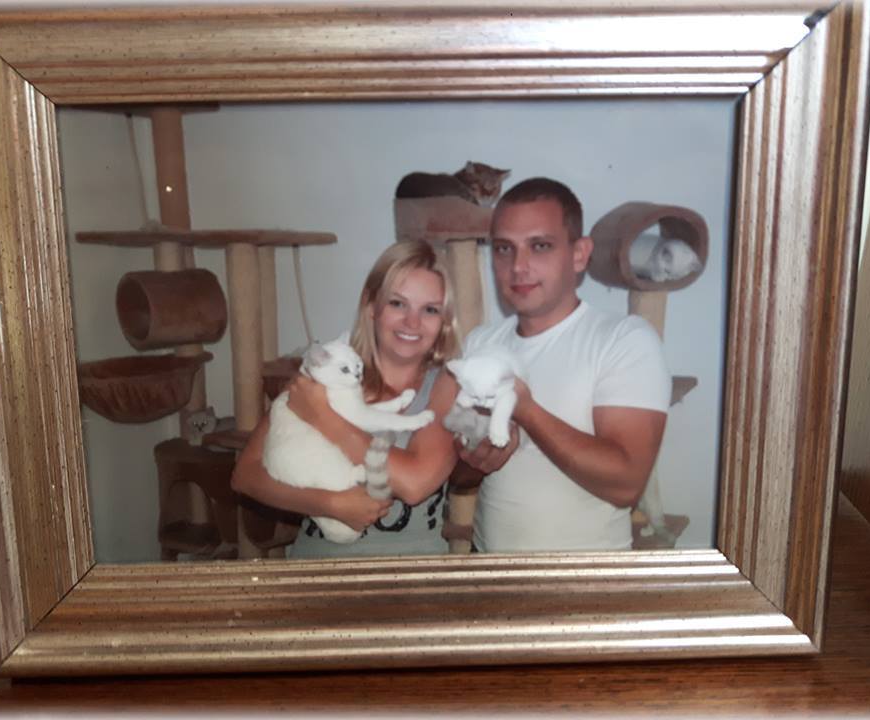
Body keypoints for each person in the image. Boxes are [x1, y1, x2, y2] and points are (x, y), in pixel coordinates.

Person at [459, 177, 671, 552]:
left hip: (584, 581)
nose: (518, 266)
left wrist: (527, 412)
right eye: (504, 248)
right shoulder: (481, 342)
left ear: (579, 254)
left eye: (539, 246)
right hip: (488, 572)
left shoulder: (624, 339)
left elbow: (626, 484)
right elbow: (459, 477)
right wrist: (477, 457)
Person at [231, 240, 461, 558]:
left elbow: (414, 484)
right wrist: (330, 504)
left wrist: (322, 417)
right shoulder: (327, 368)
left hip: (413, 573)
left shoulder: (448, 384)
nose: (412, 322)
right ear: (371, 306)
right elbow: (246, 475)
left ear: (444, 321)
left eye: (430, 309)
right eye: (398, 303)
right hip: (317, 566)